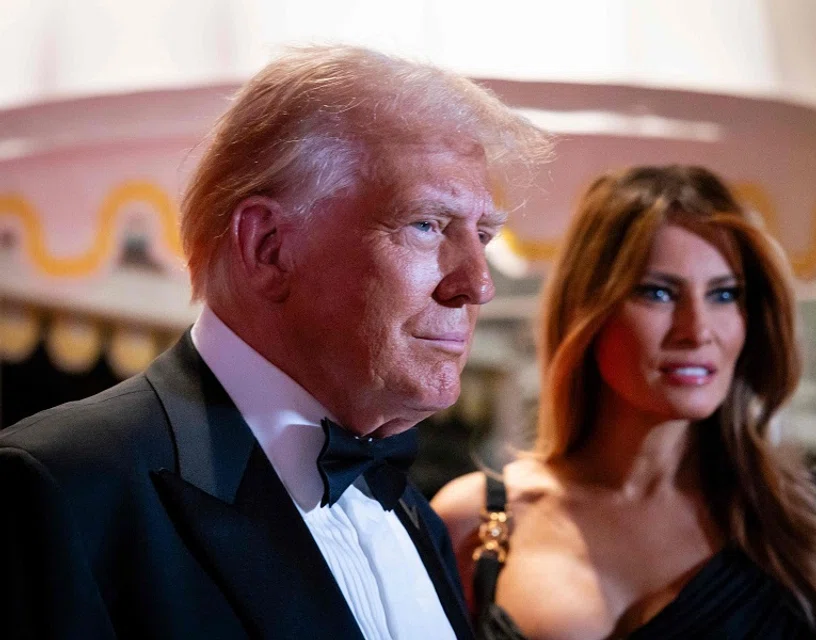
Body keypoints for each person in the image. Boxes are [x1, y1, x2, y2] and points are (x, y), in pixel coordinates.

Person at [0, 45, 550, 639]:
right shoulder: (59, 489)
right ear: (268, 247)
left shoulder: (417, 518)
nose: (479, 284)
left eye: (483, 235)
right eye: (426, 225)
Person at [433, 165, 816, 639]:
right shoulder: (476, 520)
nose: (697, 330)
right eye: (658, 292)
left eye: (724, 294)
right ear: (588, 311)